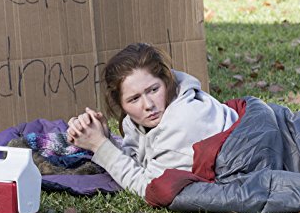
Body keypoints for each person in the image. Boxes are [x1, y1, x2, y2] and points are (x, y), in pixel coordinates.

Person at [66, 42, 238, 198]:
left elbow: (150, 187)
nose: (148, 105)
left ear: (166, 81)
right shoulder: (138, 120)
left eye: (153, 90)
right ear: (121, 104)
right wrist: (104, 137)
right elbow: (139, 162)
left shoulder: (183, 121)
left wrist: (99, 146)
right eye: (134, 99)